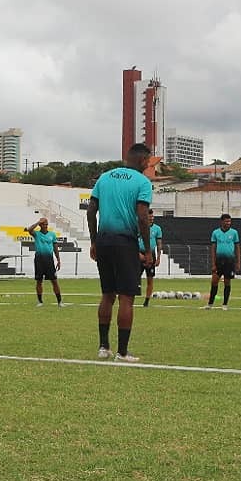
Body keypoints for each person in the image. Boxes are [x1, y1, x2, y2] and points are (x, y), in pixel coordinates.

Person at [86, 143, 153, 362]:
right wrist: (147, 248)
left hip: (104, 241)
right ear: (143, 161)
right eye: (149, 162)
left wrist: (94, 240)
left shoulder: (104, 177)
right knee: (126, 297)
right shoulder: (143, 182)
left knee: (107, 294)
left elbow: (91, 211)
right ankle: (122, 352)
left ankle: (103, 347)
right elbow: (143, 216)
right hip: (125, 242)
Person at [27, 217, 63, 307]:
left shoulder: (52, 234)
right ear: (40, 225)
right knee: (39, 281)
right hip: (39, 260)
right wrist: (38, 221)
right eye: (44, 224)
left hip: (49, 260)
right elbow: (29, 229)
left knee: (54, 281)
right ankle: (40, 302)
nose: (46, 226)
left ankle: (59, 302)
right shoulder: (36, 234)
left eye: (47, 224)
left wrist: (58, 259)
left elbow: (55, 247)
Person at [207, 214, 239, 310]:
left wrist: (238, 263)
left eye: (229, 221)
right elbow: (213, 248)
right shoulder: (215, 233)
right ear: (222, 221)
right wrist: (213, 263)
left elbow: (237, 248)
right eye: (226, 221)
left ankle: (225, 304)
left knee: (227, 282)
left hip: (230, 261)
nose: (228, 223)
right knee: (214, 281)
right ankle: (210, 304)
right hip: (218, 261)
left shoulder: (234, 233)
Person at [139, 210, 163, 307]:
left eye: (152, 217)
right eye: (149, 217)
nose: (151, 218)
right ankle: (131, 297)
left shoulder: (157, 229)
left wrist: (158, 258)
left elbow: (159, 244)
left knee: (150, 278)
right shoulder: (139, 227)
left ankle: (147, 301)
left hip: (151, 254)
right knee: (135, 277)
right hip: (140, 254)